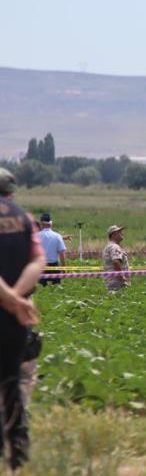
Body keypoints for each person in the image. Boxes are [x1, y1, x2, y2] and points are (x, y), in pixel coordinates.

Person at [0, 167, 45, 471]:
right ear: (11, 191)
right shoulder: (25, 219)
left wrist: (8, 298)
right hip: (17, 317)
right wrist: (16, 298)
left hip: (11, 306)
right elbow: (38, 260)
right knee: (11, 381)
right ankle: (18, 451)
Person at [38, 213, 67, 285]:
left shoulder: (36, 236)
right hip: (54, 266)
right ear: (51, 223)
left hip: (41, 266)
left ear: (41, 224)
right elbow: (62, 254)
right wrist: (64, 268)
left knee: (42, 291)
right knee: (56, 289)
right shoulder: (57, 236)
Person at [102, 225, 129, 291]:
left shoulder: (109, 246)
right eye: (119, 232)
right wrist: (122, 278)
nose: (122, 234)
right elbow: (116, 262)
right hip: (117, 282)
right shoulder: (114, 247)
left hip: (112, 281)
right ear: (114, 234)